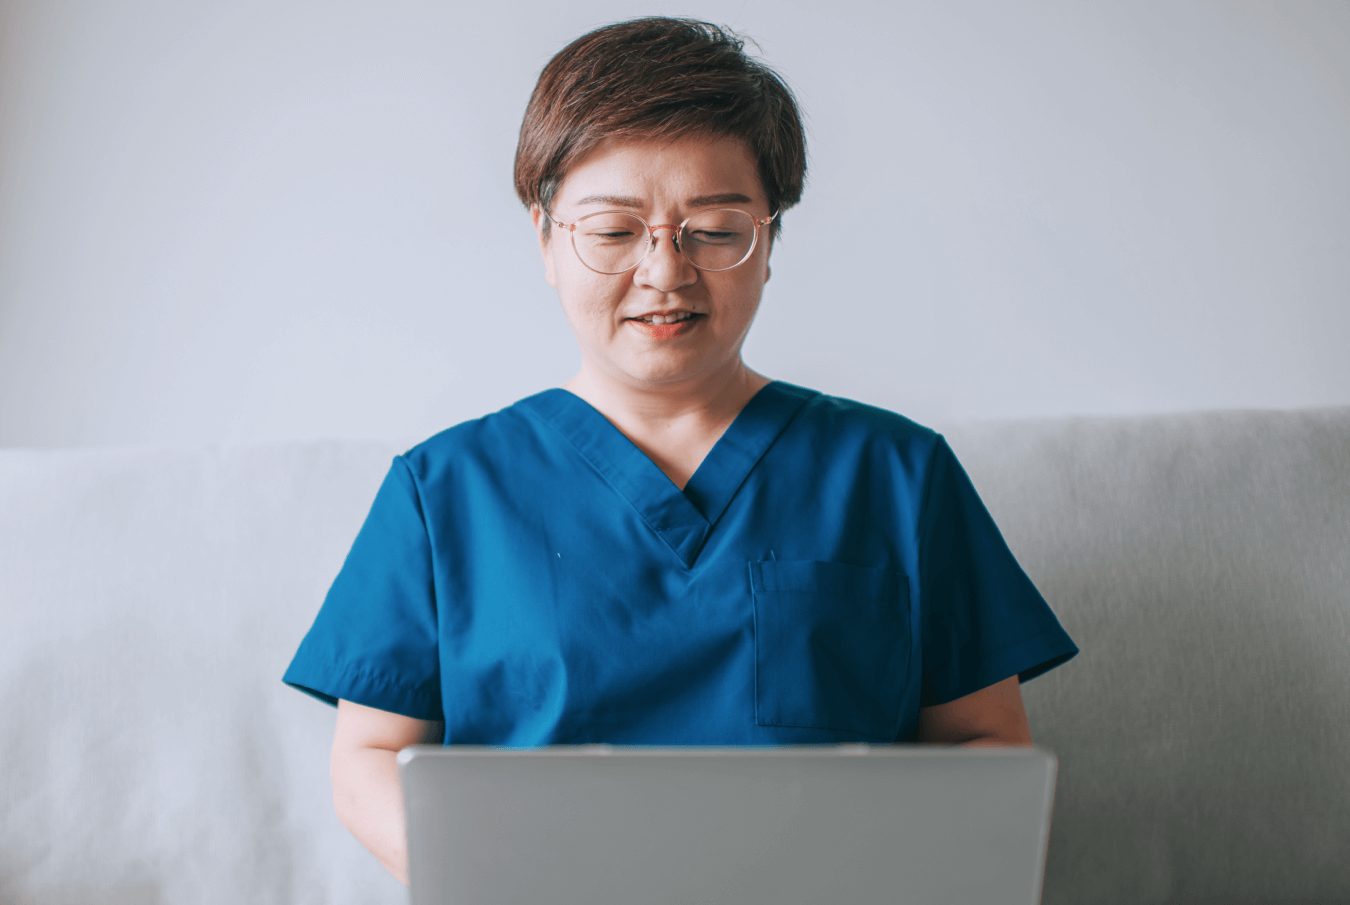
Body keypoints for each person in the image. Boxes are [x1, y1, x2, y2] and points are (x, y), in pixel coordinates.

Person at [283, 16, 1078, 886]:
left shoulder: (898, 475)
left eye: (712, 228)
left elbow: (985, 740)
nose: (665, 271)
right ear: (547, 241)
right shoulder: (442, 493)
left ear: (770, 241)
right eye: (615, 231)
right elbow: (369, 757)